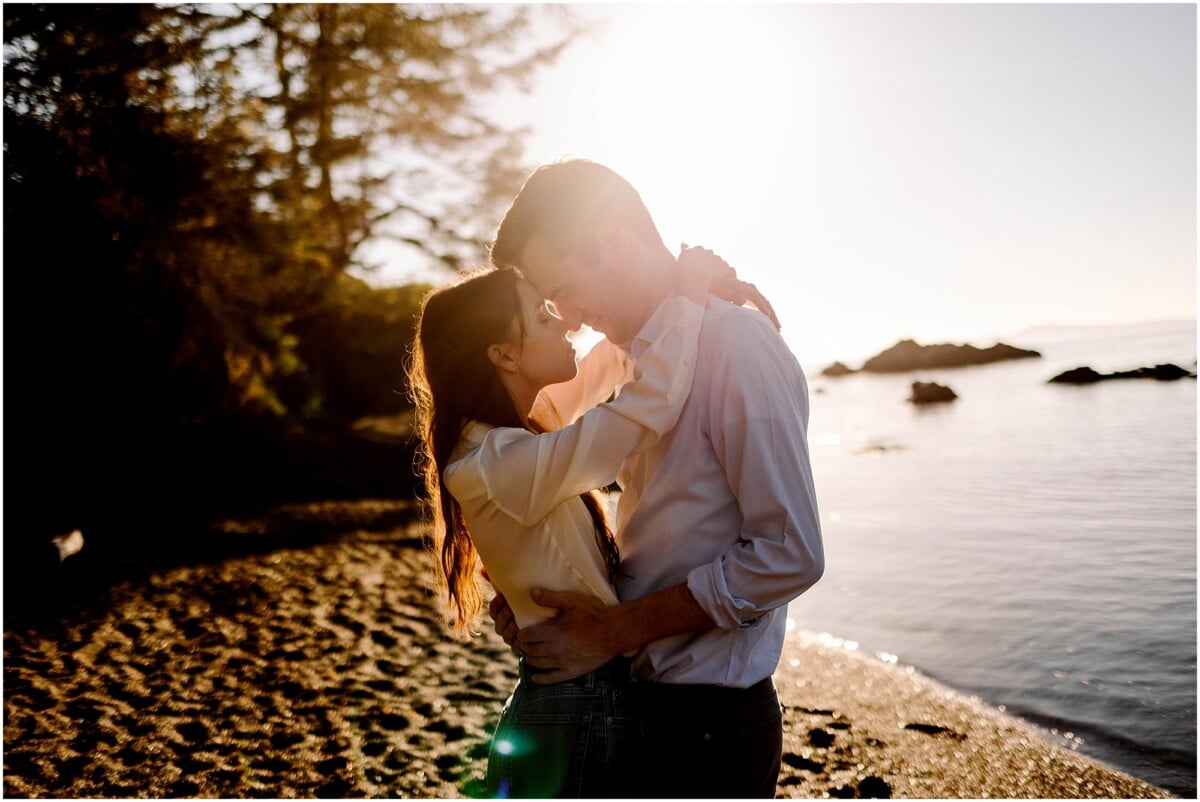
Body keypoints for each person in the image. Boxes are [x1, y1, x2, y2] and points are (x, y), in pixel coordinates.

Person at [486, 158, 825, 798]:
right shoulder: (618, 358)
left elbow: (791, 555)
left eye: (564, 289)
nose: (572, 317)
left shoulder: (737, 346)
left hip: (710, 729)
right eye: (552, 304)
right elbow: (520, 456)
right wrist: (525, 595)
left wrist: (614, 630)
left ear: (613, 243)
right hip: (631, 703)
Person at [407, 246, 763, 797]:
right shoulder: (497, 463)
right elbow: (646, 408)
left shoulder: (514, 438)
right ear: (502, 355)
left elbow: (613, 365)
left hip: (577, 701)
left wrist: (678, 298)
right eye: (544, 315)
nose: (565, 320)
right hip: (577, 708)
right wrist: (688, 296)